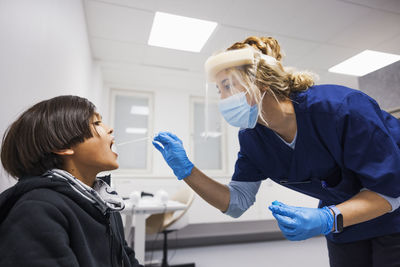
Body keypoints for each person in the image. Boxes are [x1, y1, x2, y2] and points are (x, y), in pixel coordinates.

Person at [152, 36, 400, 267]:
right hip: (343, 223)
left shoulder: (342, 109)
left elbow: (390, 192)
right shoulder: (252, 137)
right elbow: (236, 202)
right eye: (219, 91)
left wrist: (327, 218)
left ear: (258, 81)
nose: (223, 100)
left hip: (393, 218)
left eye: (227, 85)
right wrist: (187, 171)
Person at [0, 95, 142, 267]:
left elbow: (126, 260)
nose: (110, 129)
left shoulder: (106, 204)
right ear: (62, 146)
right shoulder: (37, 210)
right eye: (96, 123)